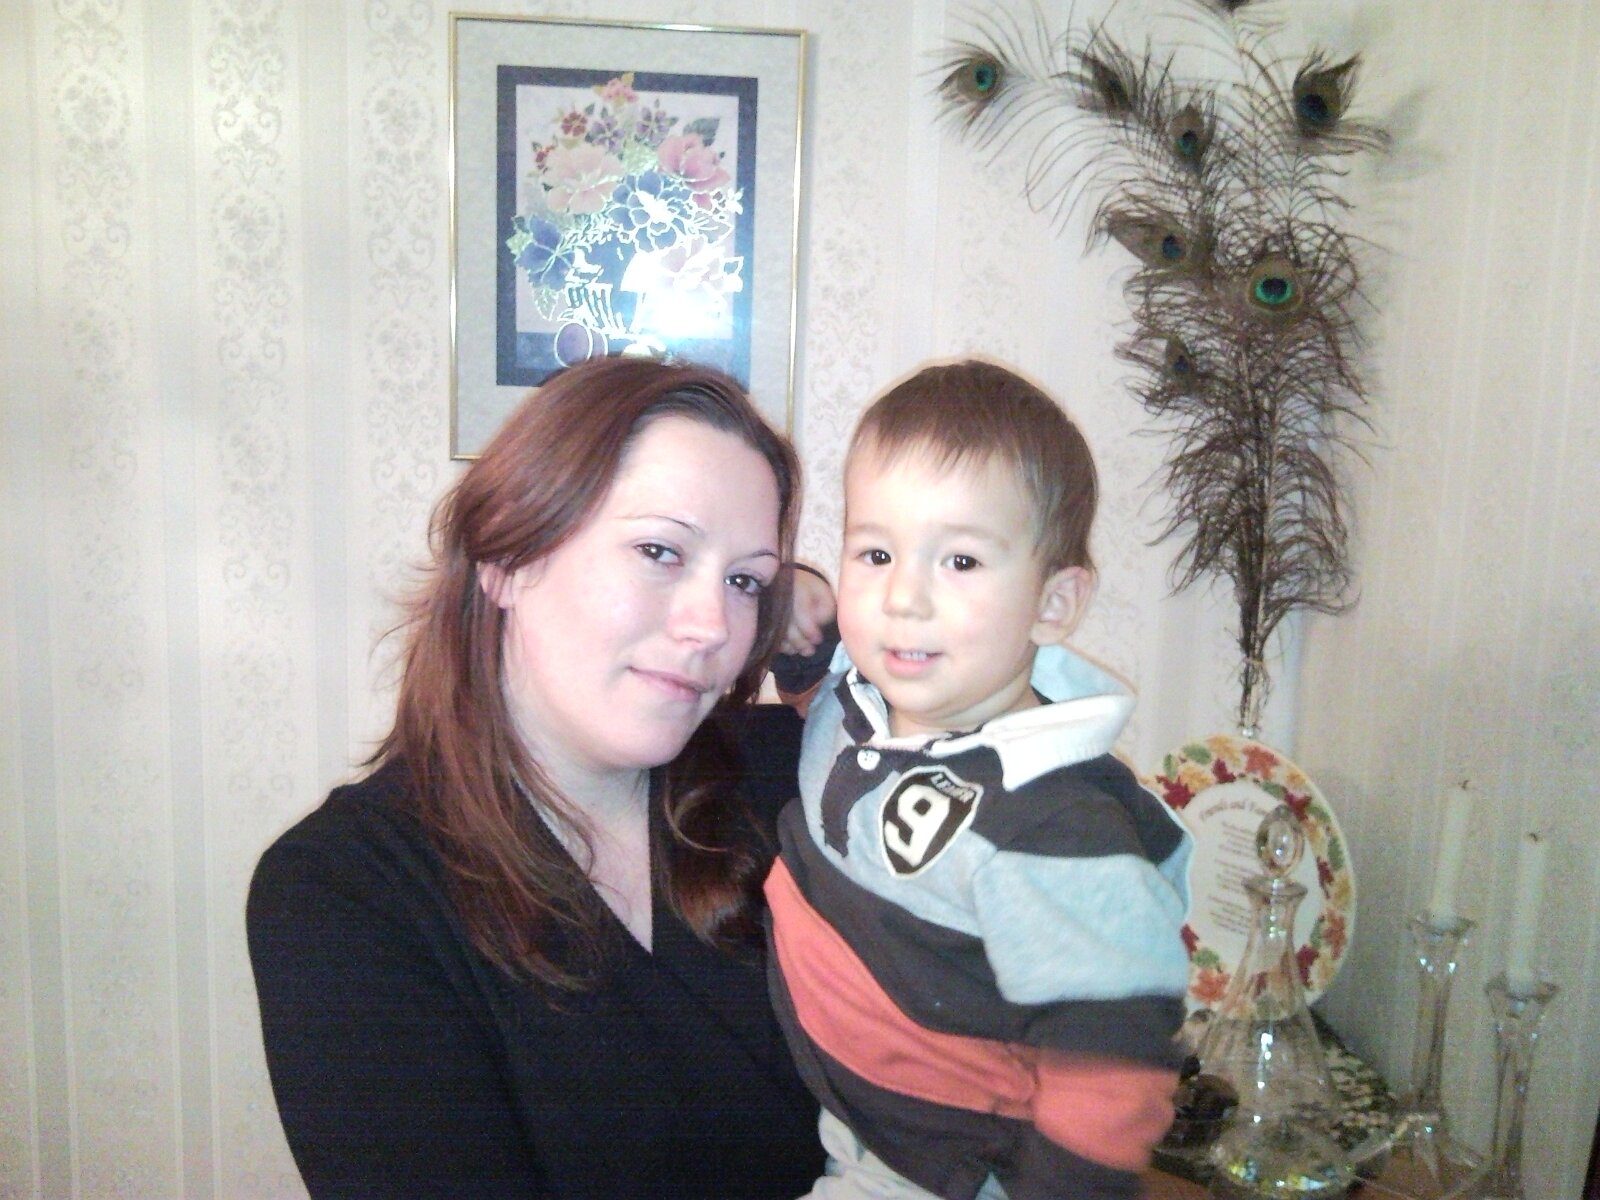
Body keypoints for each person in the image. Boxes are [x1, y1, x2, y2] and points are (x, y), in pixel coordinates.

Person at [247, 355, 827, 1199]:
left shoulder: (797, 778)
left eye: (745, 581)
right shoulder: (346, 893)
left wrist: (852, 643)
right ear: (509, 559)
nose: (713, 627)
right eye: (660, 551)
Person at [765, 360, 1194, 1200]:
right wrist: (803, 609)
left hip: (941, 1171)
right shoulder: (863, 701)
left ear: (1053, 605)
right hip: (851, 1115)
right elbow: (822, 700)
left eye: (960, 561)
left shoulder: (1054, 827)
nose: (903, 597)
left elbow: (1115, 1068)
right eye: (876, 552)